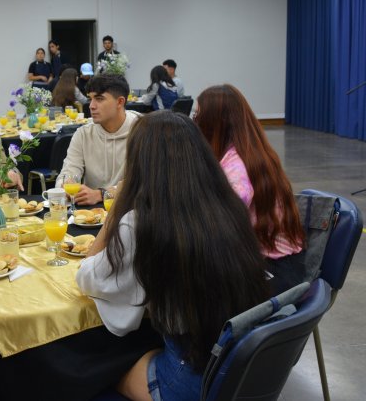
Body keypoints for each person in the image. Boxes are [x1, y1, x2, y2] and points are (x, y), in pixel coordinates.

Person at [76, 111, 270, 401]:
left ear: (140, 163)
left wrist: (117, 205)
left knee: (91, 368)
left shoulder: (142, 223)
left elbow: (87, 276)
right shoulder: (229, 206)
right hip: (240, 364)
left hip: (191, 379)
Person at [194, 84, 305, 294]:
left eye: (198, 115)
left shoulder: (238, 169)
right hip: (274, 262)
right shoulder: (245, 153)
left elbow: (221, 225)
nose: (194, 122)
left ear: (214, 123)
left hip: (276, 271)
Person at [56, 74, 140, 205]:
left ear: (120, 102)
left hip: (132, 207)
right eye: (90, 99)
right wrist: (65, 185)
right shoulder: (83, 134)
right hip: (91, 211)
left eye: (99, 99)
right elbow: (68, 171)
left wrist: (102, 194)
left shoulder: (143, 131)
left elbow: (146, 182)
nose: (91, 106)